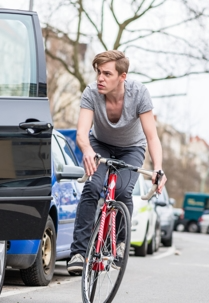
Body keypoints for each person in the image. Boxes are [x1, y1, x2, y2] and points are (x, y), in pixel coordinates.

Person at [67, 50, 167, 274]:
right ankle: (78, 252)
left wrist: (158, 168)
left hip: (131, 148)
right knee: (92, 187)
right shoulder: (91, 93)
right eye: (98, 72)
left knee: (122, 191)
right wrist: (87, 151)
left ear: (122, 77)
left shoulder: (139, 93)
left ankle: (121, 242)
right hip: (100, 144)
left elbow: (152, 137)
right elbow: (82, 133)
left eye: (107, 74)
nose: (100, 78)